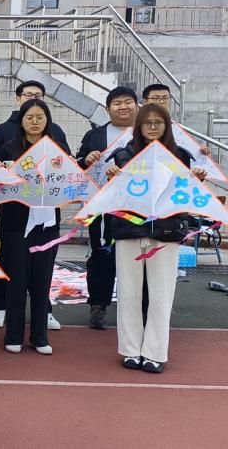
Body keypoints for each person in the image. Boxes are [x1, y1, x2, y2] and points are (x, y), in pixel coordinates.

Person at [106, 104, 206, 373]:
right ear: (138, 126)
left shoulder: (180, 156)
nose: (152, 127)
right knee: (128, 293)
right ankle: (130, 350)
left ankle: (154, 353)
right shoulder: (124, 155)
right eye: (147, 122)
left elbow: (185, 194)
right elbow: (116, 193)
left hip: (166, 233)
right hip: (129, 231)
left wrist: (197, 180)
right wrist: (111, 178)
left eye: (158, 122)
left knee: (161, 295)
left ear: (166, 126)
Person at [0, 80, 67, 331]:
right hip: (15, 220)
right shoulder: (7, 143)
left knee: (43, 273)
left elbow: (69, 174)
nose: (34, 121)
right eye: (29, 117)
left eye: (40, 117)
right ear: (21, 119)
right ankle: (8, 322)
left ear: (47, 119)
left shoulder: (57, 144)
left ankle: (42, 324)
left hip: (48, 220)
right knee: (14, 271)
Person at [76, 86, 139, 329]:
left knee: (135, 257)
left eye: (127, 102)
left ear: (137, 105)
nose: (123, 107)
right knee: (101, 256)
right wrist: (86, 159)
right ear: (107, 108)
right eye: (117, 103)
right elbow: (78, 163)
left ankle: (134, 309)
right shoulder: (95, 135)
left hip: (136, 207)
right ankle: (98, 305)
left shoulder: (146, 132)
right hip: (101, 206)